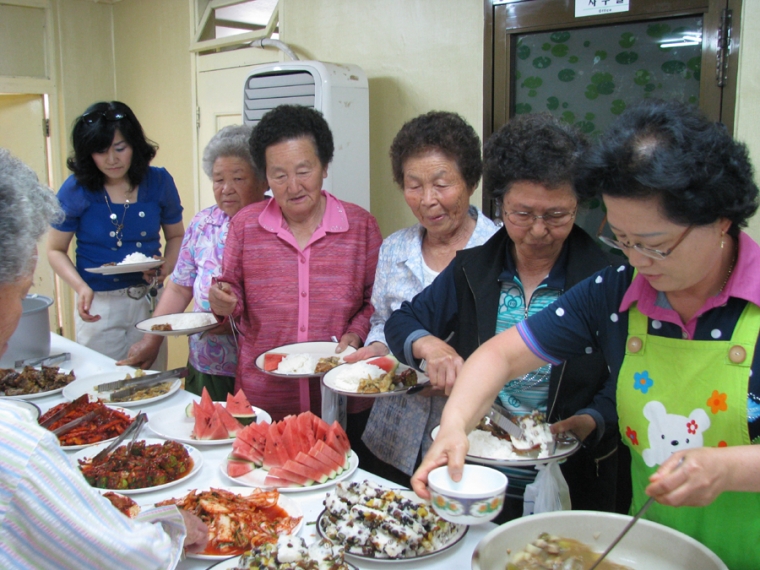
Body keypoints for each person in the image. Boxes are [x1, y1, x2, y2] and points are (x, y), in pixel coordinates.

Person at [412, 100, 760, 569]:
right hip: (658, 548)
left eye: (655, 246)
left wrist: (728, 468)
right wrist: (454, 427)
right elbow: (501, 356)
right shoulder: (615, 290)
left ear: (720, 218)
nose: (636, 261)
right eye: (622, 240)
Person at [388, 113, 623, 520]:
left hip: (571, 472)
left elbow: (627, 374)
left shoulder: (603, 279)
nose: (538, 230)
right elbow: (402, 322)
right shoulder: (473, 269)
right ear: (500, 204)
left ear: (577, 206)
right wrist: (430, 346)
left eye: (556, 215)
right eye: (522, 214)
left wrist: (592, 418)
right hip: (482, 467)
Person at [0, 148, 207, 569]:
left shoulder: (157, 182)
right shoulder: (18, 449)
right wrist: (171, 527)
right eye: (23, 294)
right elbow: (125, 555)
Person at [208, 105, 382, 459]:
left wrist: (356, 332)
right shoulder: (245, 225)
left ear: (325, 166)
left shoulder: (360, 226)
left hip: (341, 393)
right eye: (279, 175)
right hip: (264, 399)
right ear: (265, 177)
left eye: (304, 171)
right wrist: (222, 301)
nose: (293, 186)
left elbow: (375, 301)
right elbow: (231, 294)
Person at [347, 111, 498, 485]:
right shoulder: (394, 248)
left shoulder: (499, 250)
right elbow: (383, 318)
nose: (428, 200)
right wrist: (378, 347)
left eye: (442, 184)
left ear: (471, 181)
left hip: (475, 440)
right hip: (394, 433)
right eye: (414, 185)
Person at [118, 125, 267, 399]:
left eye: (238, 178)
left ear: (263, 180)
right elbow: (179, 287)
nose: (226, 189)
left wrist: (236, 321)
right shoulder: (203, 223)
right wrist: (151, 340)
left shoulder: (277, 226)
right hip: (207, 361)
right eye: (218, 179)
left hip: (262, 367)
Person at [47, 101, 184, 365]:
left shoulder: (158, 181)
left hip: (148, 299)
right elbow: (54, 249)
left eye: (120, 148)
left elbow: (176, 236)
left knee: (151, 378)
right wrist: (81, 287)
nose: (112, 160)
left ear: (135, 145)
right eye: (101, 151)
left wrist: (166, 266)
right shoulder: (76, 188)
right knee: (103, 380)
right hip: (99, 301)